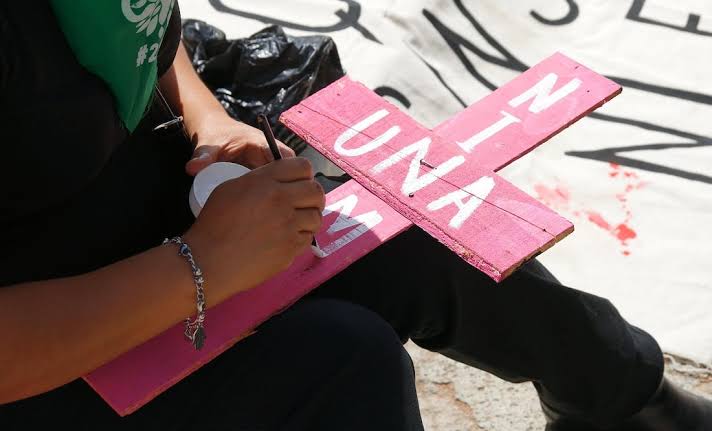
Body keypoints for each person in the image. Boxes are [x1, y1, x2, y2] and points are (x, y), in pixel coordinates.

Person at [1, 2, 710, 430]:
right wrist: (202, 266)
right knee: (341, 363)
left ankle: (623, 397)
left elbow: (149, 32)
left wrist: (209, 122)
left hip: (113, 211)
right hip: (44, 351)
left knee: (404, 226)